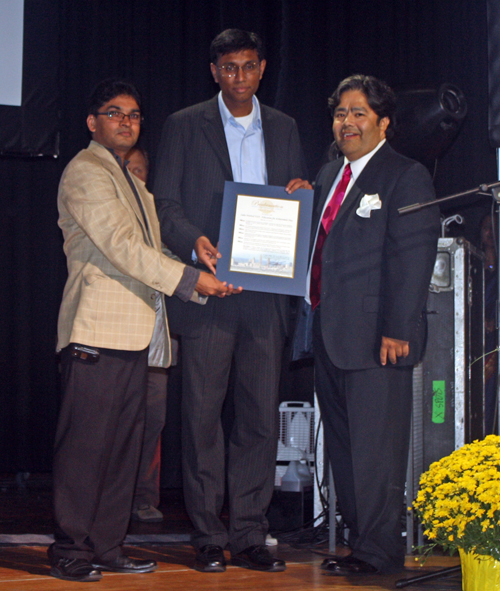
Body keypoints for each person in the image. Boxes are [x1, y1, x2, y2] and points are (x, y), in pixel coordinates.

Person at [49, 79, 238, 583]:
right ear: (93, 123)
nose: (126, 122)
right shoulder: (86, 171)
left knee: (124, 450)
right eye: (114, 113)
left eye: (133, 114)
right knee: (87, 447)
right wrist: (192, 280)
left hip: (136, 334)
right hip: (98, 331)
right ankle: (71, 548)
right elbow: (122, 248)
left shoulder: (132, 180)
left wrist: (216, 261)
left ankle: (107, 546)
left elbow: (158, 248)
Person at [153, 29, 311, 573]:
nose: (239, 76)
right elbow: (164, 205)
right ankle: (205, 533)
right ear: (214, 71)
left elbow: (294, 195)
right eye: (229, 68)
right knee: (200, 419)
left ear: (262, 68)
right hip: (209, 292)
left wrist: (302, 195)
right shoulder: (183, 124)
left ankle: (249, 533)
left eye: (248, 66)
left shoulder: (286, 127)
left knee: (259, 420)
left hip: (266, 295)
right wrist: (193, 241)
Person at [307, 75, 440, 575]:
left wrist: (398, 328)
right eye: (341, 113)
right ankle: (362, 543)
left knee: (376, 452)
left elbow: (412, 257)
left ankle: (380, 551)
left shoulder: (405, 175)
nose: (347, 122)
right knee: (345, 448)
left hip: (379, 338)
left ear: (383, 122)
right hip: (328, 335)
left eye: (359, 112)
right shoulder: (326, 177)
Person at [125, 146, 169, 523]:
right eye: (128, 170)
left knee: (152, 422)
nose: (136, 177)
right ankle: (113, 499)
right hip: (115, 339)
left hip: (156, 346)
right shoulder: (111, 214)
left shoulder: (159, 217)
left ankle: (143, 497)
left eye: (141, 171)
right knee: (114, 424)